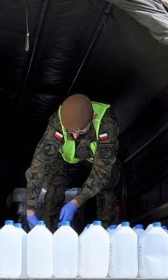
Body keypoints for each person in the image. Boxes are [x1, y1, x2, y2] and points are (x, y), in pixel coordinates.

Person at [24, 94, 120, 231]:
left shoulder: (106, 121)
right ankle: (49, 232)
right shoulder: (58, 121)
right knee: (53, 191)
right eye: (70, 131)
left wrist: (75, 203)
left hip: (95, 161)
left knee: (108, 184)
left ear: (92, 118)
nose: (75, 136)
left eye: (81, 131)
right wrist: (30, 208)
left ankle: (107, 232)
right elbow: (40, 163)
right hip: (66, 159)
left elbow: (102, 170)